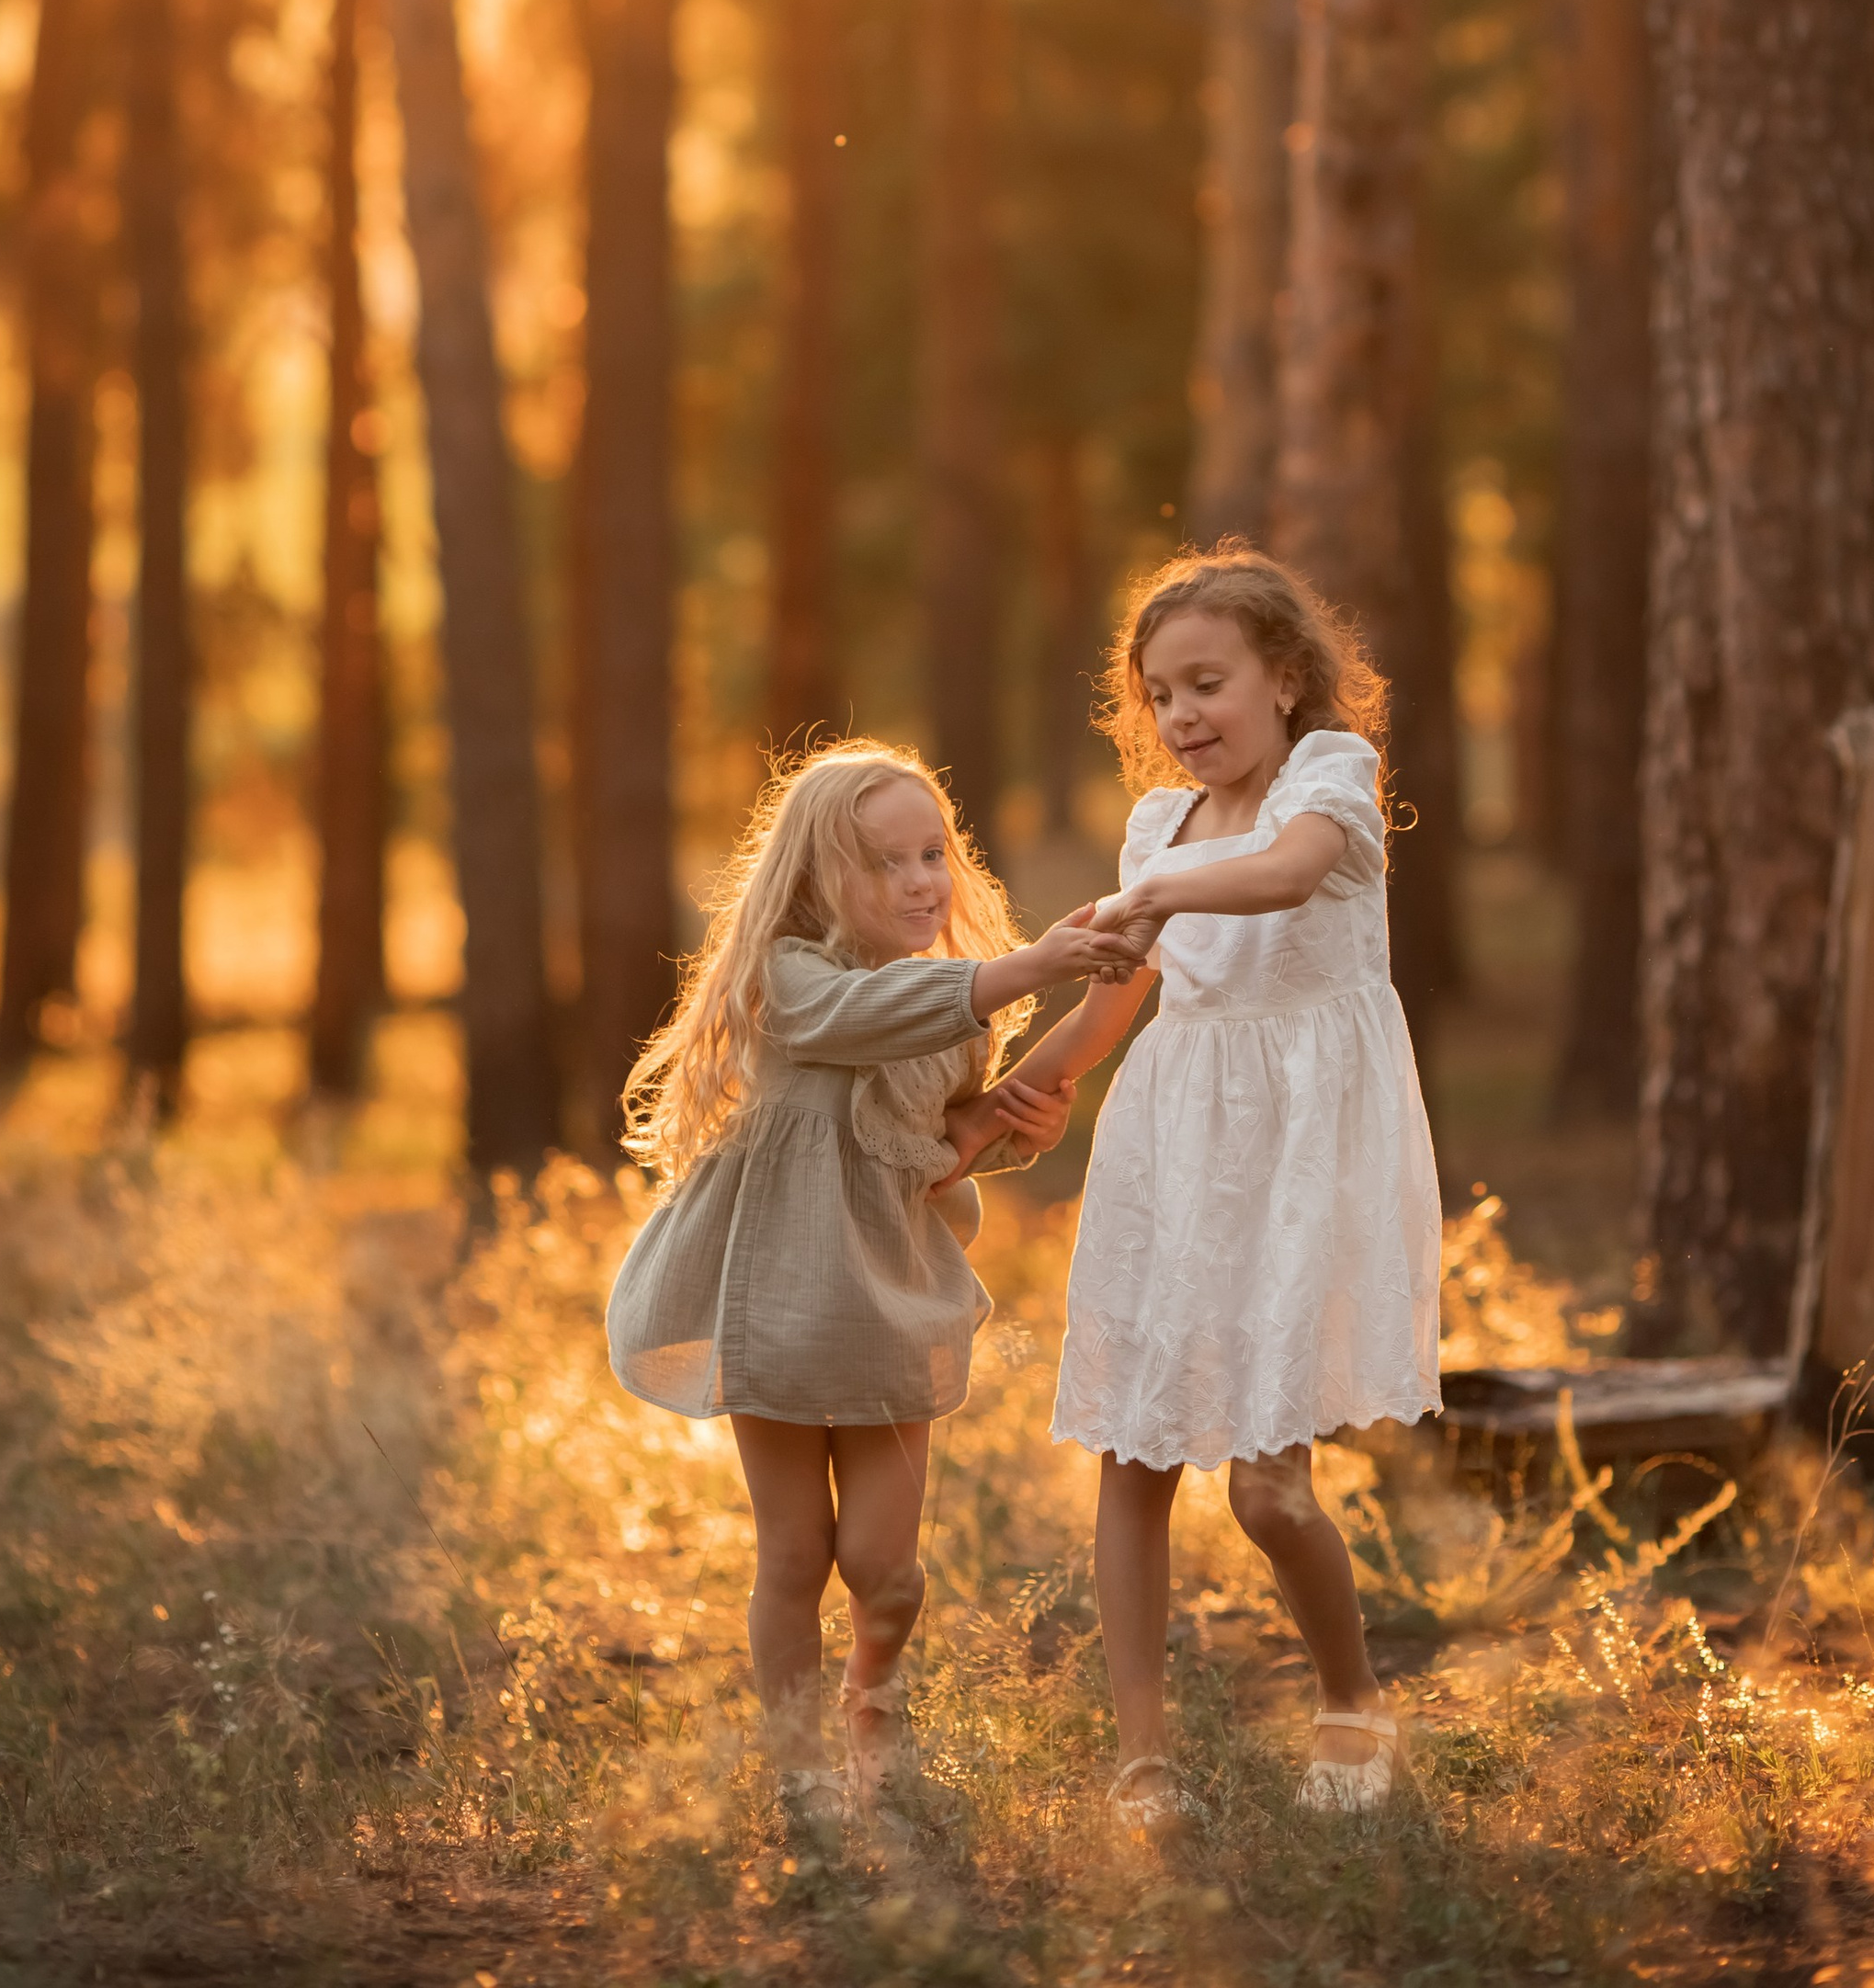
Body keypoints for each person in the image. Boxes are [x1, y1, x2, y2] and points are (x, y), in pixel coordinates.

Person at [964, 545, 1444, 1826]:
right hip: (1176, 1144)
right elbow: (1117, 998)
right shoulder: (1154, 829)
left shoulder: (1328, 779)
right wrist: (1031, 1083)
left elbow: (1286, 876)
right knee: (1137, 1450)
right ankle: (1144, 1760)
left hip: (1298, 1150)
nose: (1184, 716)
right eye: (1160, 694)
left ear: (1286, 677)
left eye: (1208, 682)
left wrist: (1154, 892)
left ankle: (1352, 1707)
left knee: (1269, 1489)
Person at [605, 739, 1128, 1826]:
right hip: (781, 1307)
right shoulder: (792, 980)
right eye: (883, 862)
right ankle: (802, 1776)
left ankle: (872, 1702)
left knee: (886, 1569)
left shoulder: (946, 1010)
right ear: (813, 884)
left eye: (931, 853)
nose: (919, 881)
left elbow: (934, 1147)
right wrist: (1036, 964)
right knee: (794, 1552)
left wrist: (1013, 1122)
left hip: (887, 1305)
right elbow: (856, 1025)